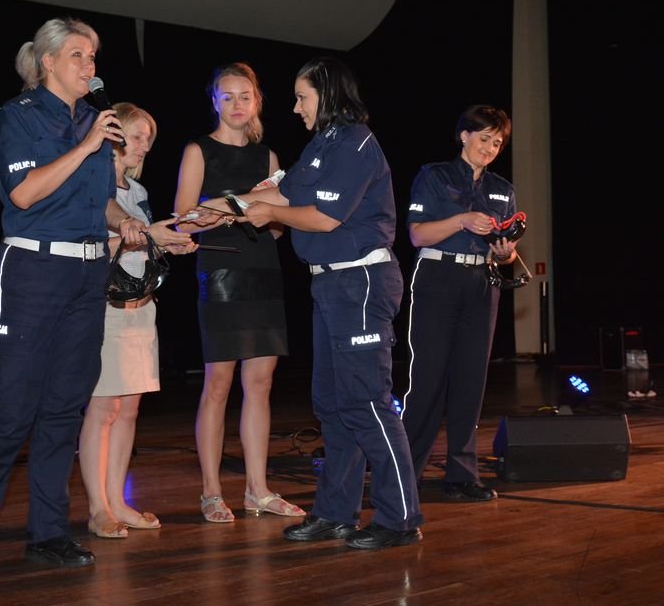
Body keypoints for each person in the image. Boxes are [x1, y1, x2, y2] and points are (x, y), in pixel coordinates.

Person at [0, 18, 191, 567]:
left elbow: (99, 201)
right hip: (32, 270)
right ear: (47, 61)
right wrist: (87, 146)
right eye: (77, 55)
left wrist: (125, 221)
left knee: (65, 407)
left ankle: (48, 532)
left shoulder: (96, 120)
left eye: (93, 56)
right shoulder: (17, 117)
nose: (89, 66)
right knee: (12, 403)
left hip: (88, 277)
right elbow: (24, 193)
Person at [204, 56, 423, 549]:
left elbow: (324, 217)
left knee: (366, 401)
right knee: (332, 404)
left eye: (302, 97)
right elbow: (275, 195)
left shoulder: (356, 143)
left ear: (328, 94)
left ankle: (400, 519)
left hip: (360, 281)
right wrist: (204, 214)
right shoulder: (321, 145)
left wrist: (264, 211)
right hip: (329, 285)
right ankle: (336, 513)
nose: (296, 107)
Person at [173, 62, 302, 523]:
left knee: (261, 384)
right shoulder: (198, 150)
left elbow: (277, 224)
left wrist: (264, 215)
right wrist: (235, 206)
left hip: (263, 270)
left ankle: (257, 490)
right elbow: (182, 221)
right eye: (227, 96)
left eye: (244, 96)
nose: (236, 104)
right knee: (218, 384)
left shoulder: (268, 158)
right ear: (214, 101)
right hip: (221, 271)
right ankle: (211, 492)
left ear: (257, 100)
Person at [79, 102, 199, 538]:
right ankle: (97, 508)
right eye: (136, 135)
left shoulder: (139, 192)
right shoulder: (90, 187)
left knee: (128, 409)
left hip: (141, 308)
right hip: (107, 309)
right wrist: (143, 239)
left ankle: (117, 502)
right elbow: (90, 248)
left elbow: (141, 244)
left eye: (149, 137)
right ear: (114, 137)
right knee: (102, 409)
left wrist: (168, 244)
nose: (145, 144)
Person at [400, 104, 516, 502]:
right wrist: (462, 220)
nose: (490, 148)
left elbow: (508, 250)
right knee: (427, 380)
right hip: (438, 278)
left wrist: (505, 253)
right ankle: (405, 474)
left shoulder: (502, 188)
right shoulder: (434, 176)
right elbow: (417, 236)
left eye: (497, 143)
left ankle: (463, 475)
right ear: (464, 135)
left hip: (482, 282)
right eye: (484, 139)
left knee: (471, 380)